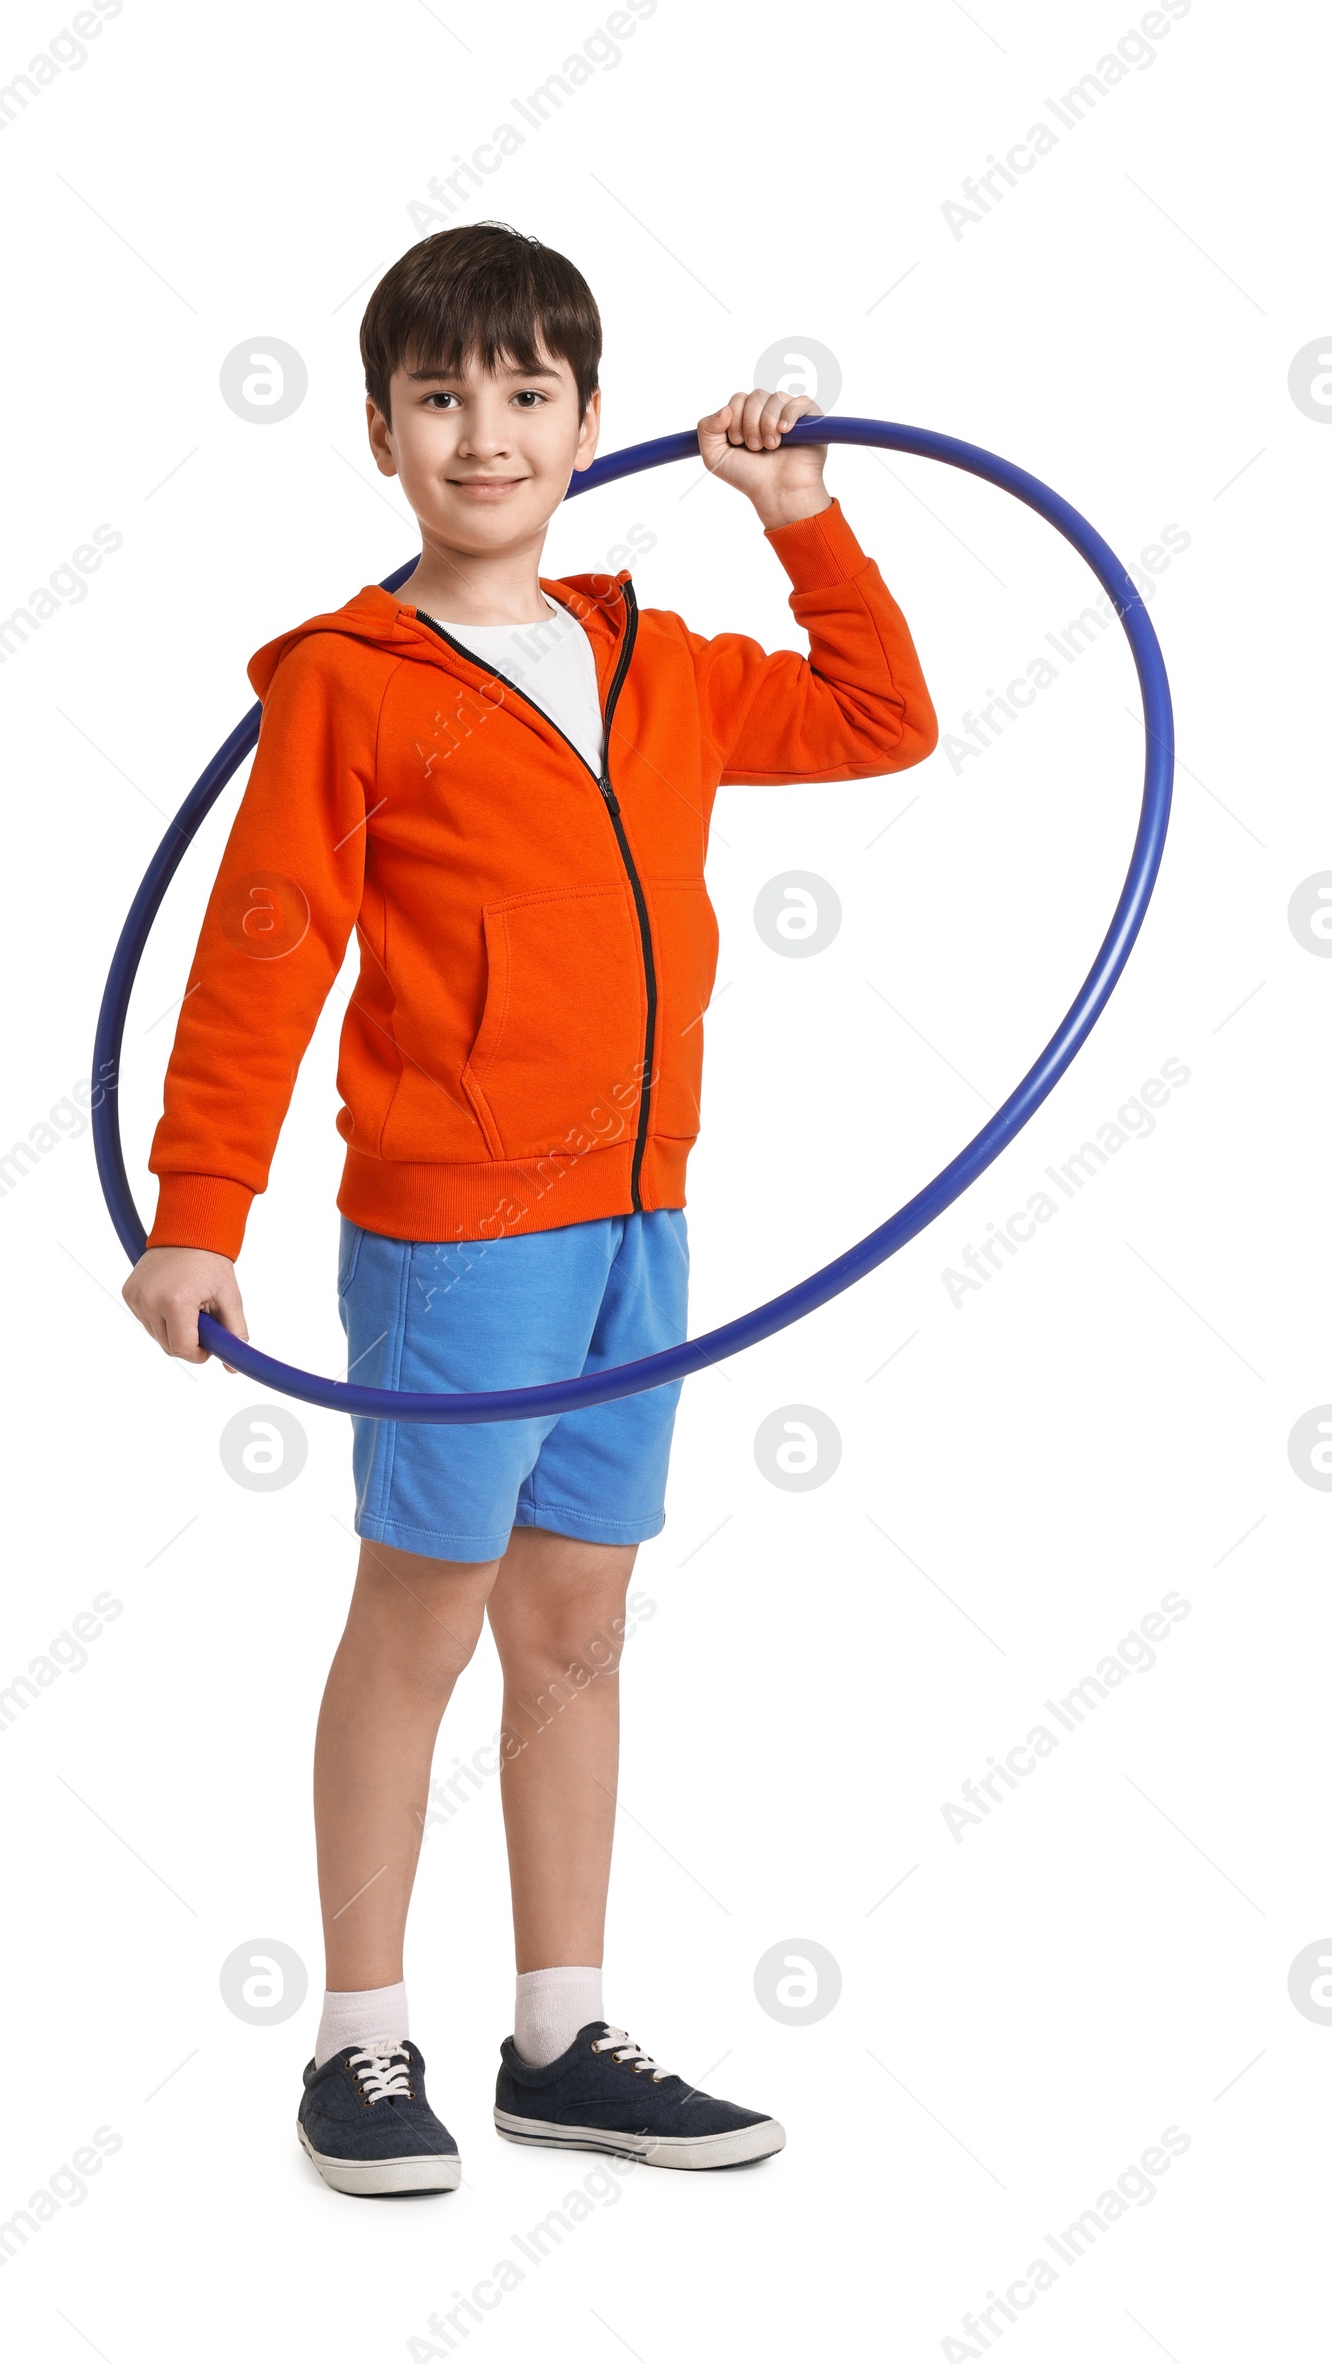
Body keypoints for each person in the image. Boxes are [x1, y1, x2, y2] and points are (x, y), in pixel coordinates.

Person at [123, 222, 936, 2195]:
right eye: (438, 397)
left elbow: (876, 720)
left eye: (521, 392)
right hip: (457, 1224)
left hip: (640, 1220)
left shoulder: (652, 662)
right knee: (422, 1612)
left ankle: (561, 2034)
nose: (482, 432)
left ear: (586, 421)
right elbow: (260, 953)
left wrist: (801, 525)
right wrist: (199, 1203)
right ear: (380, 432)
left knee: (577, 1617)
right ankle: (359, 2043)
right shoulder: (348, 680)